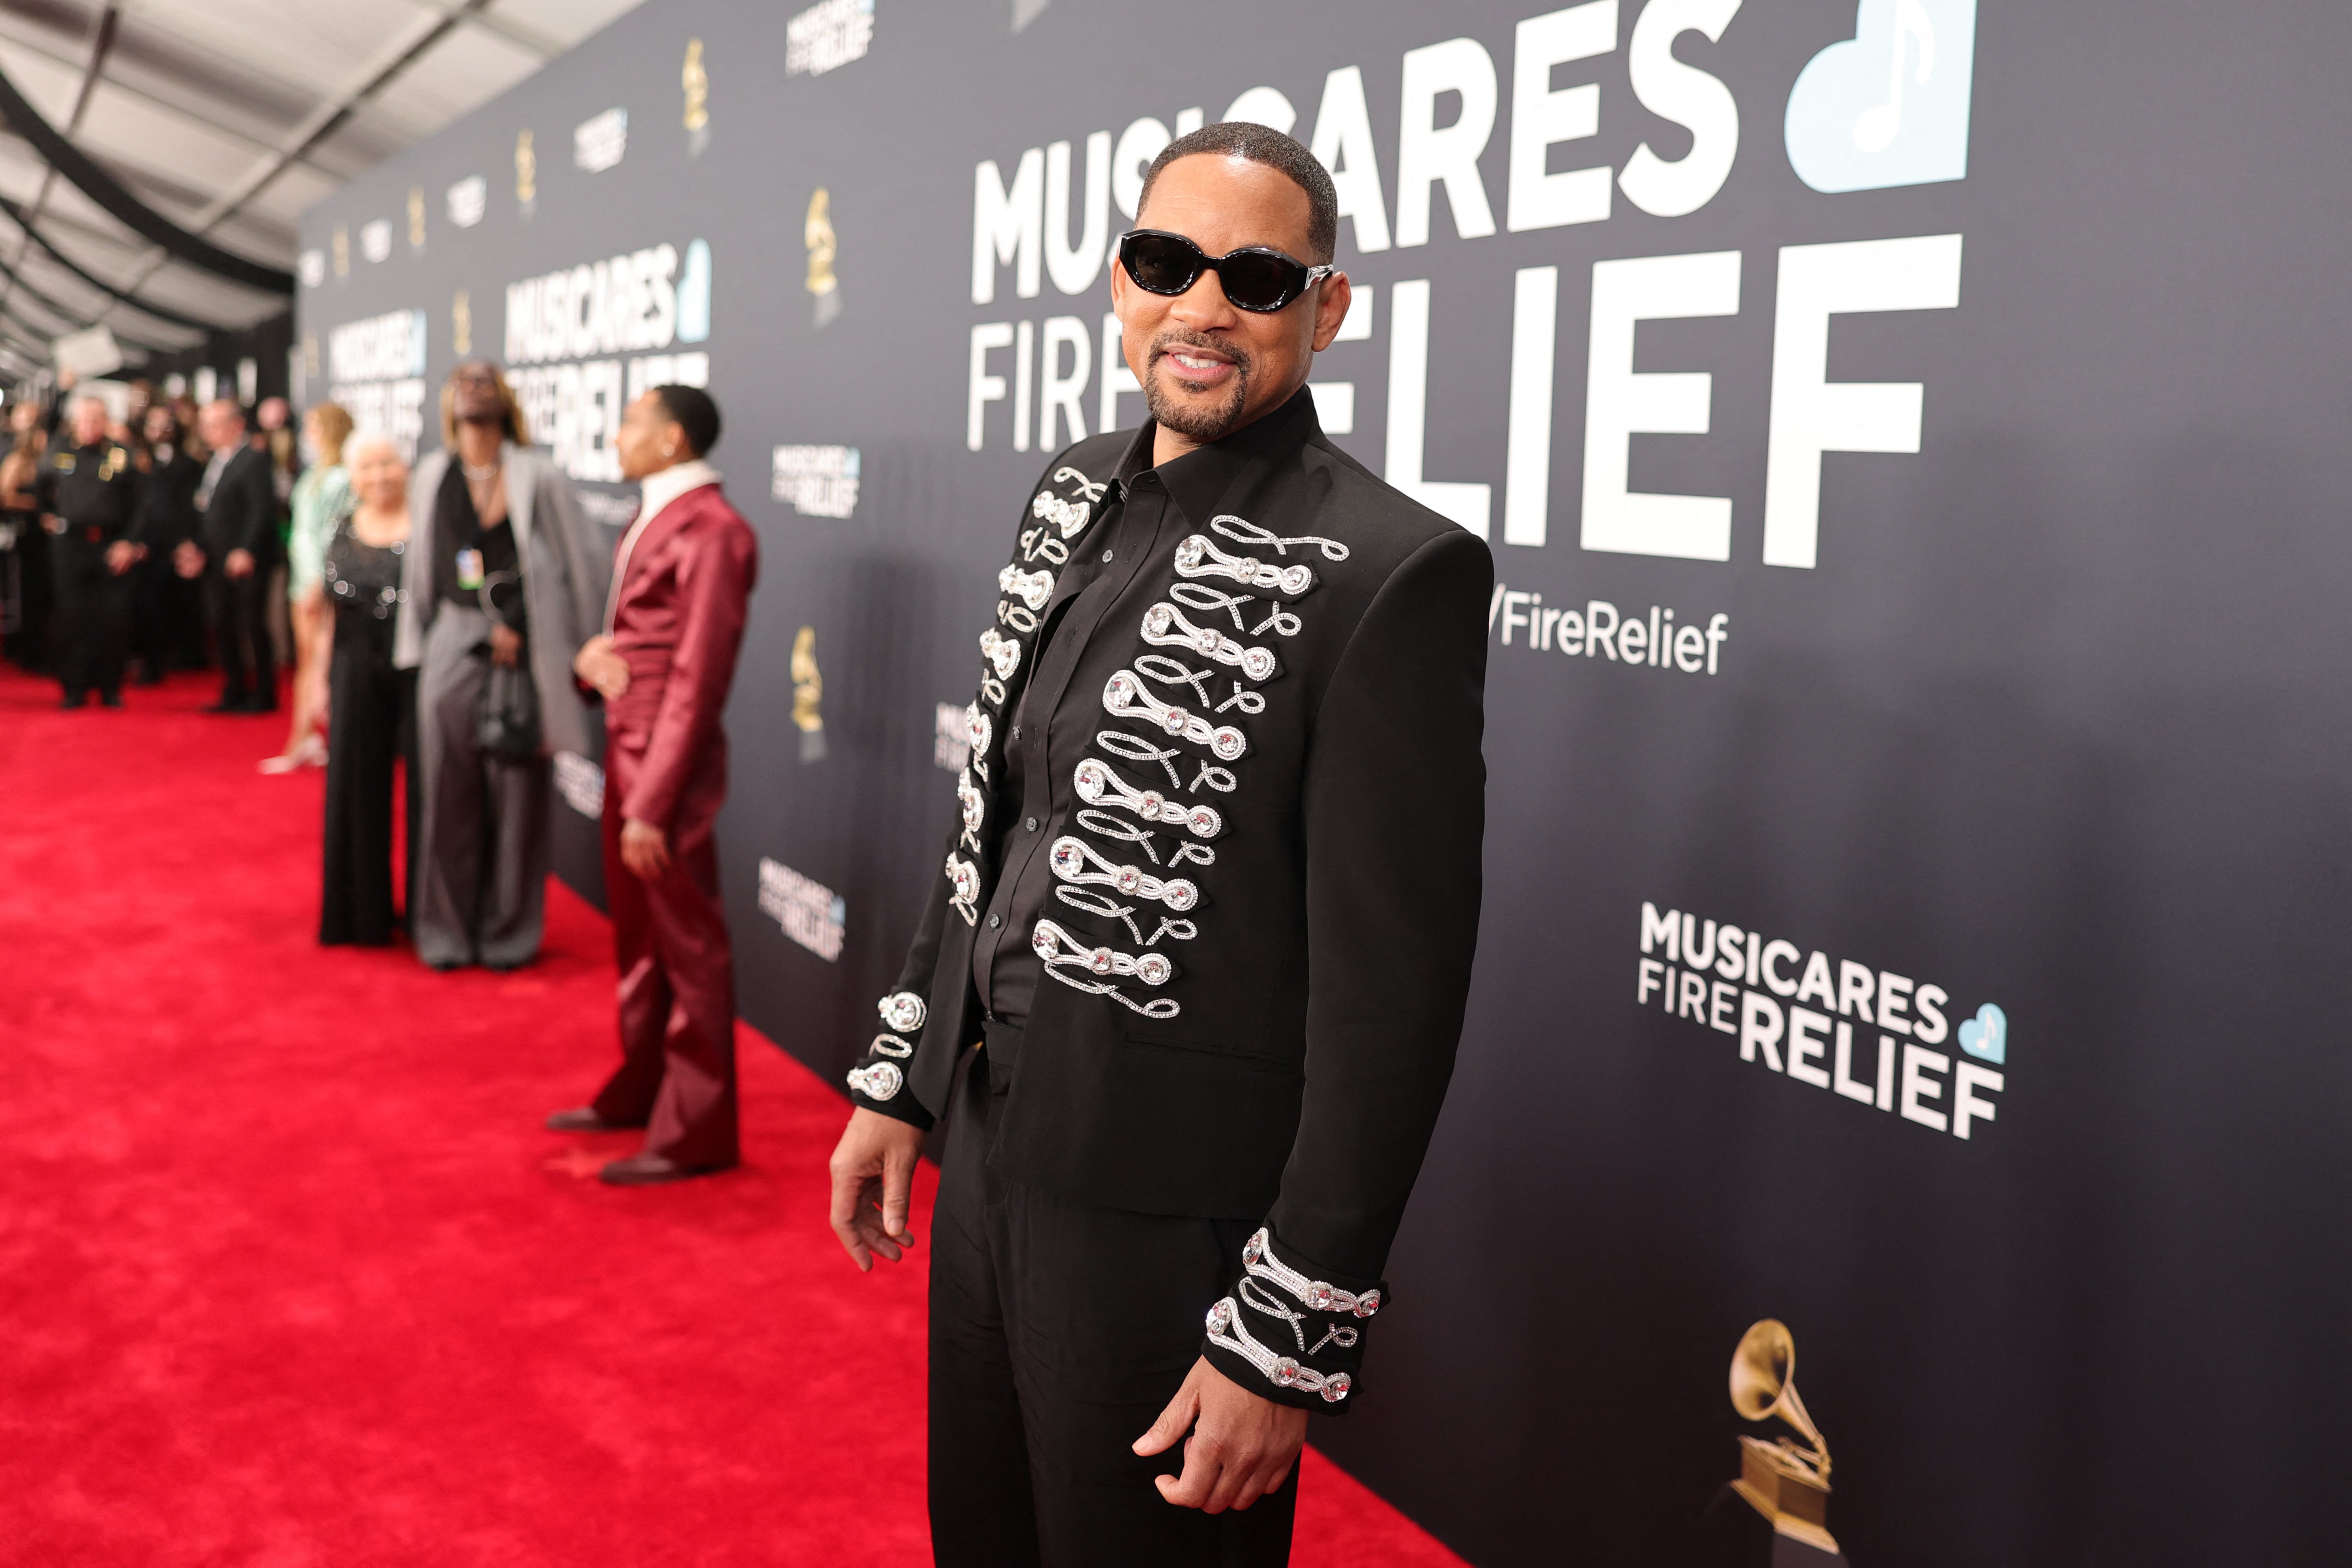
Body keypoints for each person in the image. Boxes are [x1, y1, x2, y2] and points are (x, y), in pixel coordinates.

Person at [826, 125, 1491, 1565]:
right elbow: (990, 824)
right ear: (1118, 284)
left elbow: (1391, 1008)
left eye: (1253, 277)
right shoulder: (1070, 490)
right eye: (1163, 261)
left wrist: (1280, 1340)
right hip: (995, 1152)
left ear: (1326, 309)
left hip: (1176, 1230)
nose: (1200, 306)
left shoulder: (1395, 575)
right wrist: (905, 1073)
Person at [549, 385, 758, 1186]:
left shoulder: (715, 529)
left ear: (671, 439)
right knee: (639, 935)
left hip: (666, 770)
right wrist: (592, 661)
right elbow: (643, 640)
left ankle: (697, 1129)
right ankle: (643, 1087)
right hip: (630, 750)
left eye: (632, 421)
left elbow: (700, 678)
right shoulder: (661, 512)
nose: (618, 434)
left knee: (687, 942)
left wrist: (654, 799)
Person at [393, 361, 608, 971]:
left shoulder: (539, 475)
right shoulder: (432, 472)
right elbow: (422, 570)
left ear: (504, 398)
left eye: (484, 380)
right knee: (442, 791)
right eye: (463, 380)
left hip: (524, 651)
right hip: (450, 643)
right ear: (448, 400)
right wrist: (423, 642)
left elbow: (578, 562)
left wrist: (554, 640)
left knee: (518, 795)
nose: (473, 386)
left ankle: (509, 934)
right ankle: (444, 932)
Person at [317, 435, 417, 947]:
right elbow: (325, 614)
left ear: (405, 467)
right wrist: (317, 680)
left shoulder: (427, 526)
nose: (379, 475)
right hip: (353, 667)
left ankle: (429, 913)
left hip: (418, 667)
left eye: (388, 463)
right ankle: (362, 914)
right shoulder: (341, 526)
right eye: (368, 466)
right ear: (353, 477)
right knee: (355, 788)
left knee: (428, 790)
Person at [265, 403, 354, 773]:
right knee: (308, 663)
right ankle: (304, 736)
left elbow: (335, 536)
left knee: (321, 665)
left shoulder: (342, 478)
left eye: (314, 426)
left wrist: (322, 581)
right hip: (304, 579)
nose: (307, 434)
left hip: (320, 583)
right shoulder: (317, 472)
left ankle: (315, 739)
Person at [37, 396, 140, 709]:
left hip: (111, 543)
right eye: (84, 420)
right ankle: (74, 687)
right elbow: (41, 485)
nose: (89, 427)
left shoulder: (121, 455)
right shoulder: (60, 451)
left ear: (106, 421)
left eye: (96, 420)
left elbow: (140, 503)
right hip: (70, 544)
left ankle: (110, 687)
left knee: (112, 619)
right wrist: (47, 514)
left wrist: (129, 542)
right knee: (72, 618)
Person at [187, 399, 281, 713]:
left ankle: (264, 693)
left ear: (237, 425)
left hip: (245, 560)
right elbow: (209, 510)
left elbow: (260, 511)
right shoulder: (216, 460)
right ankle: (235, 688)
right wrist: (198, 547)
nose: (208, 432)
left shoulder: (253, 460)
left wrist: (246, 549)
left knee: (252, 625)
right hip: (215, 559)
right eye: (205, 425)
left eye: (214, 425)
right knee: (222, 624)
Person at [130, 404, 205, 681]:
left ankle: (188, 655)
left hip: (179, 544)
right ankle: (150, 661)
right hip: (147, 545)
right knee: (148, 605)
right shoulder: (136, 461)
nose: (160, 431)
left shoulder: (189, 464)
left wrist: (188, 541)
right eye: (154, 425)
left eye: (166, 426)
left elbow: (191, 507)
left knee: (182, 604)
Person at [0, 409, 48, 673]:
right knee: (26, 593)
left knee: (38, 594)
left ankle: (36, 647)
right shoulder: (17, 461)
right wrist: (36, 505)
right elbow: (4, 496)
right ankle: (26, 649)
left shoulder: (42, 463)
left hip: (40, 536)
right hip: (24, 534)